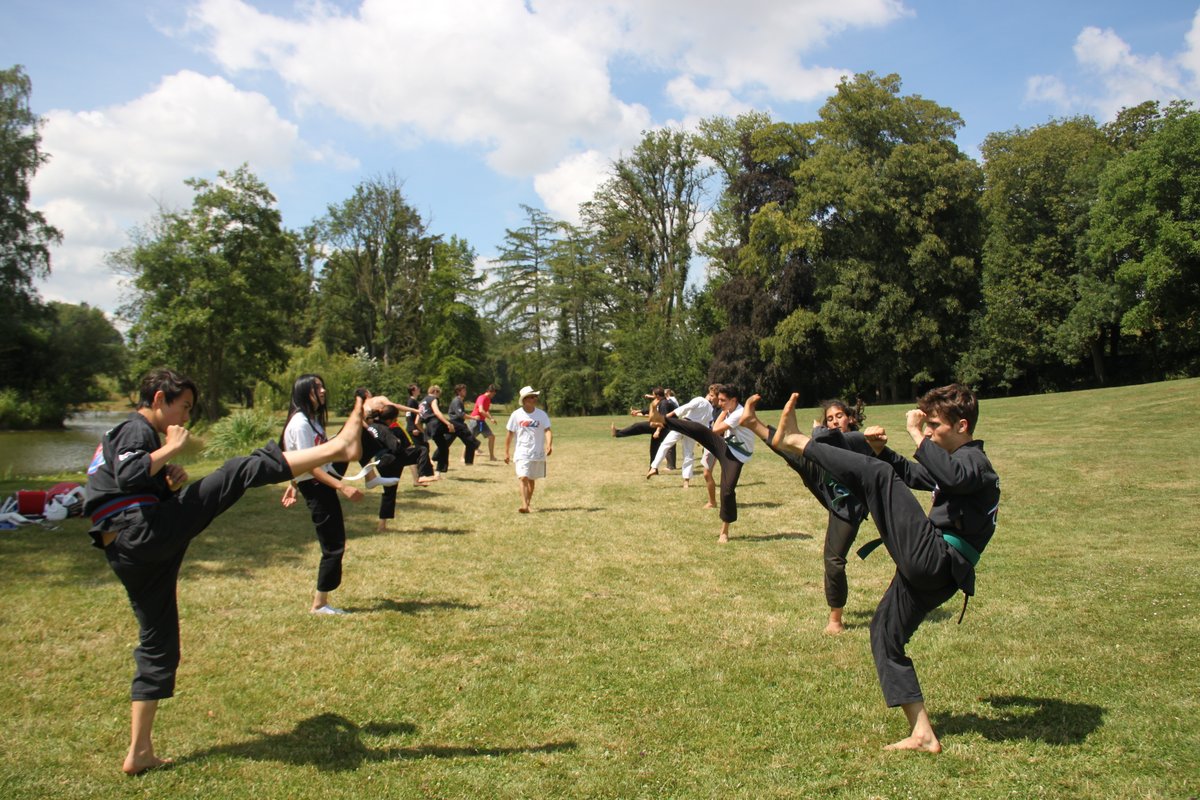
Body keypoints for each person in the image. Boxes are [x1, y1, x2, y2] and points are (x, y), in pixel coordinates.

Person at [85, 368, 364, 775]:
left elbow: (123, 484)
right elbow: (129, 473)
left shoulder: (124, 435)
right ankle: (337, 449)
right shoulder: (135, 428)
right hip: (142, 533)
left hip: (128, 552)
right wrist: (170, 451)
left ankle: (139, 751)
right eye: (184, 408)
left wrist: (167, 482)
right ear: (160, 399)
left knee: (158, 643)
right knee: (238, 470)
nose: (186, 419)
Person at [772, 384, 1000, 752]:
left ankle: (800, 443)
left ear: (961, 425)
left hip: (937, 559)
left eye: (934, 426)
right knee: (884, 632)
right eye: (926, 426)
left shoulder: (976, 463)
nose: (928, 432)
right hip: (937, 572)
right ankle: (923, 733)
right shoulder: (957, 465)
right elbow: (915, 475)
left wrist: (914, 433)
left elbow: (953, 477)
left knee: (877, 477)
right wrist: (883, 451)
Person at [736, 395, 871, 634]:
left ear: (849, 418)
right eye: (830, 419)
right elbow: (822, 441)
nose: (835, 421)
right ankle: (752, 422)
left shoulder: (857, 439)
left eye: (839, 416)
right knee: (791, 450)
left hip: (848, 504)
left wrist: (818, 433)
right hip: (826, 482)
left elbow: (839, 440)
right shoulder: (827, 439)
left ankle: (835, 620)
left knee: (834, 560)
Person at [280, 374, 364, 615]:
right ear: (306, 392)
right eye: (317, 387)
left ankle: (371, 473)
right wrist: (342, 487)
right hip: (318, 485)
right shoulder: (300, 423)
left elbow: (307, 456)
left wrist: (293, 484)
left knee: (362, 433)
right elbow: (310, 465)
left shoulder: (312, 419)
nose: (324, 390)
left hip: (320, 480)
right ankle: (319, 604)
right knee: (333, 545)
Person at [649, 384, 754, 543]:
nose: (719, 403)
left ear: (734, 400)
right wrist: (724, 411)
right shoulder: (730, 409)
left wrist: (724, 412)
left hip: (737, 455)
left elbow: (716, 429)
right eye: (718, 400)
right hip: (727, 445)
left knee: (727, 490)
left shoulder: (738, 413)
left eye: (723, 401)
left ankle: (724, 531)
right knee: (697, 429)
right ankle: (662, 419)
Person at [360, 404, 436, 532]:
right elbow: (395, 447)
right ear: (390, 419)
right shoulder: (385, 429)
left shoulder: (372, 427)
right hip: (391, 459)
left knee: (389, 492)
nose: (395, 421)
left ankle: (382, 526)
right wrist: (399, 443)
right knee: (422, 450)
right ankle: (423, 475)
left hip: (380, 462)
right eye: (395, 419)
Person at [646, 384, 718, 488]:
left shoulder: (700, 399)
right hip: (694, 430)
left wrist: (666, 417)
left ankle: (654, 467)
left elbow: (685, 407)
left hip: (684, 424)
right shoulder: (711, 410)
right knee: (688, 454)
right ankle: (686, 481)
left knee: (665, 444)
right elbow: (708, 425)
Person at [504, 385, 553, 513]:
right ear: (524, 400)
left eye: (535, 397)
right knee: (523, 477)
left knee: (531, 480)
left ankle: (528, 503)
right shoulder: (516, 415)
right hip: (522, 452)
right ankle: (524, 505)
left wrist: (549, 444)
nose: (534, 399)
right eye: (531, 397)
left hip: (537, 452)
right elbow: (510, 433)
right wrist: (506, 452)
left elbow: (547, 430)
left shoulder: (541, 415)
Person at [610, 387, 677, 471]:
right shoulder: (660, 401)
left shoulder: (664, 404)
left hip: (664, 428)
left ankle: (617, 433)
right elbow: (648, 410)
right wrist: (637, 411)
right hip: (660, 427)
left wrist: (657, 431)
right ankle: (653, 469)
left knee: (638, 426)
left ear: (657, 396)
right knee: (654, 448)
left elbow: (664, 420)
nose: (652, 396)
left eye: (653, 395)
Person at [418, 385, 456, 475]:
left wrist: (425, 431)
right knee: (458, 428)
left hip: (429, 426)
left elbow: (417, 421)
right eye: (439, 393)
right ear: (435, 392)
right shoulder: (433, 399)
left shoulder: (422, 402)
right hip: (436, 424)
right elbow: (437, 412)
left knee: (443, 447)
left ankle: (438, 471)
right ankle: (471, 445)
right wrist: (448, 423)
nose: (439, 396)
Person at [447, 384, 482, 465]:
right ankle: (435, 458)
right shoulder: (457, 401)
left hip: (459, 424)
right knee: (446, 443)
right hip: (455, 424)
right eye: (463, 390)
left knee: (470, 442)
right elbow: (461, 414)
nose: (465, 392)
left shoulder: (460, 400)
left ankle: (469, 462)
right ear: (458, 392)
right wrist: (474, 417)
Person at [469, 384, 499, 460]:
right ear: (489, 391)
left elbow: (486, 411)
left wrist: (491, 418)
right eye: (493, 393)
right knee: (469, 438)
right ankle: (463, 457)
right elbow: (481, 410)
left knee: (491, 437)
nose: (494, 395)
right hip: (475, 421)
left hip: (481, 422)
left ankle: (491, 457)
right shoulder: (482, 398)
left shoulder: (488, 399)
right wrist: (490, 418)